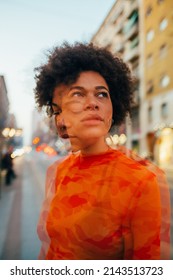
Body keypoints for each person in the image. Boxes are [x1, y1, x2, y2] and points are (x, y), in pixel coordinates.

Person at [34, 42, 170, 260]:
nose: (93, 103)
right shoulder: (57, 171)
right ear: (59, 115)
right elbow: (49, 249)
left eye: (102, 94)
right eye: (78, 94)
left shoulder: (142, 180)